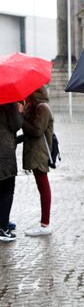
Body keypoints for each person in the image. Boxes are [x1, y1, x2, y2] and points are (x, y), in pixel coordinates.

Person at [21, 86, 55, 236]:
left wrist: (20, 117)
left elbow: (36, 131)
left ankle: (45, 224)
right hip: (35, 152)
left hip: (40, 154)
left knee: (43, 186)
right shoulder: (35, 108)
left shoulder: (42, 108)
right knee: (42, 186)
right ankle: (44, 223)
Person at [0, 101, 24, 242]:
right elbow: (16, 124)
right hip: (4, 154)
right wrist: (19, 110)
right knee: (7, 191)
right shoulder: (8, 103)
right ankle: (3, 228)